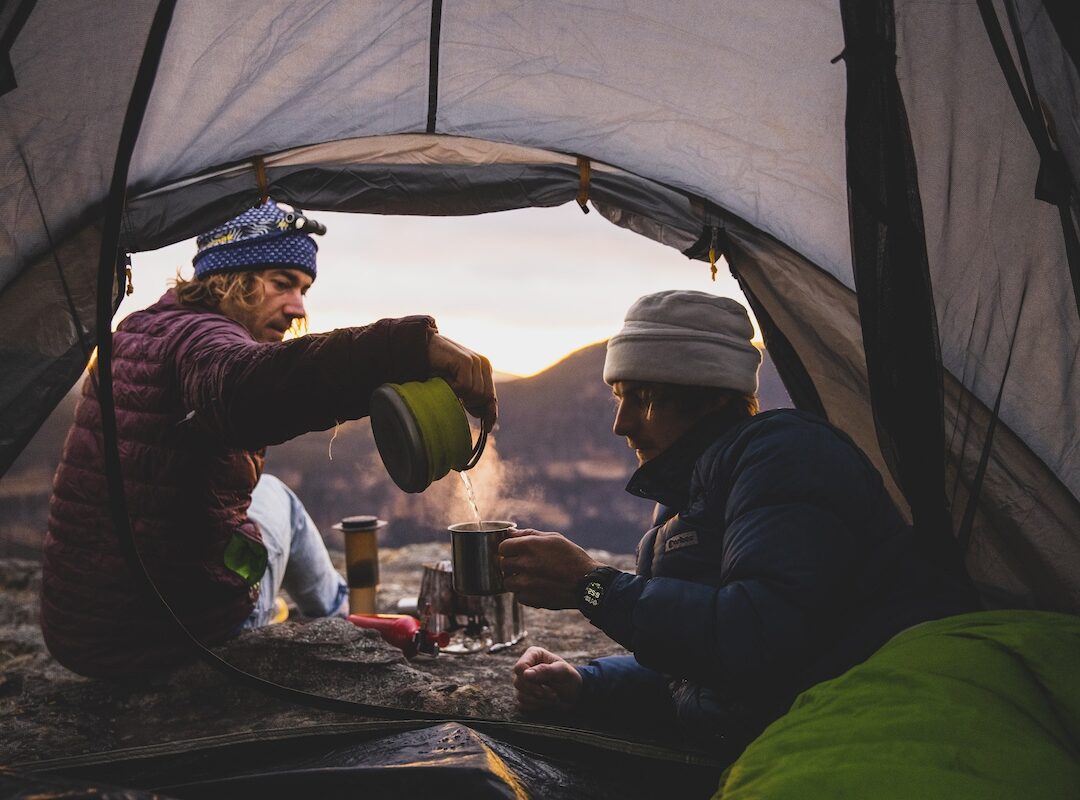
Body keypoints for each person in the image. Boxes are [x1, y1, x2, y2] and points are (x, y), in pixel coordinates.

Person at [499, 289, 976, 753]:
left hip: (876, 736)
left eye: (644, 398)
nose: (621, 424)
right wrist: (587, 684)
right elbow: (704, 669)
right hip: (794, 736)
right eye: (619, 398)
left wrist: (592, 587)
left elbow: (758, 640)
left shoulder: (789, 456)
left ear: (711, 398)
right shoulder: (685, 497)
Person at [41, 199, 497, 679]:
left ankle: (336, 613)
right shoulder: (204, 347)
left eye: (303, 289)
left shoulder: (138, 329)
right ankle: (344, 620)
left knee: (267, 495)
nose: (298, 306)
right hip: (182, 638)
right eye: (282, 283)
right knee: (282, 504)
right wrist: (404, 351)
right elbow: (251, 388)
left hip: (82, 636)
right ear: (230, 277)